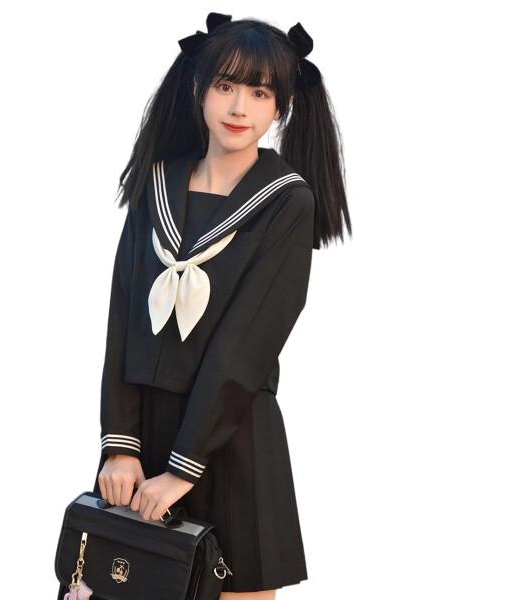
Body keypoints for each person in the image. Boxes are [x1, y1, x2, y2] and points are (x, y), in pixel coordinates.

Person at [58, 11, 351, 600]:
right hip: (141, 444)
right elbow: (123, 319)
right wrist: (120, 443)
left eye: (259, 92)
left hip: (232, 440)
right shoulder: (156, 184)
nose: (239, 107)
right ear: (199, 89)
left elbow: (245, 345)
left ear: (282, 107)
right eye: (225, 85)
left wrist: (182, 468)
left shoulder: (287, 203)